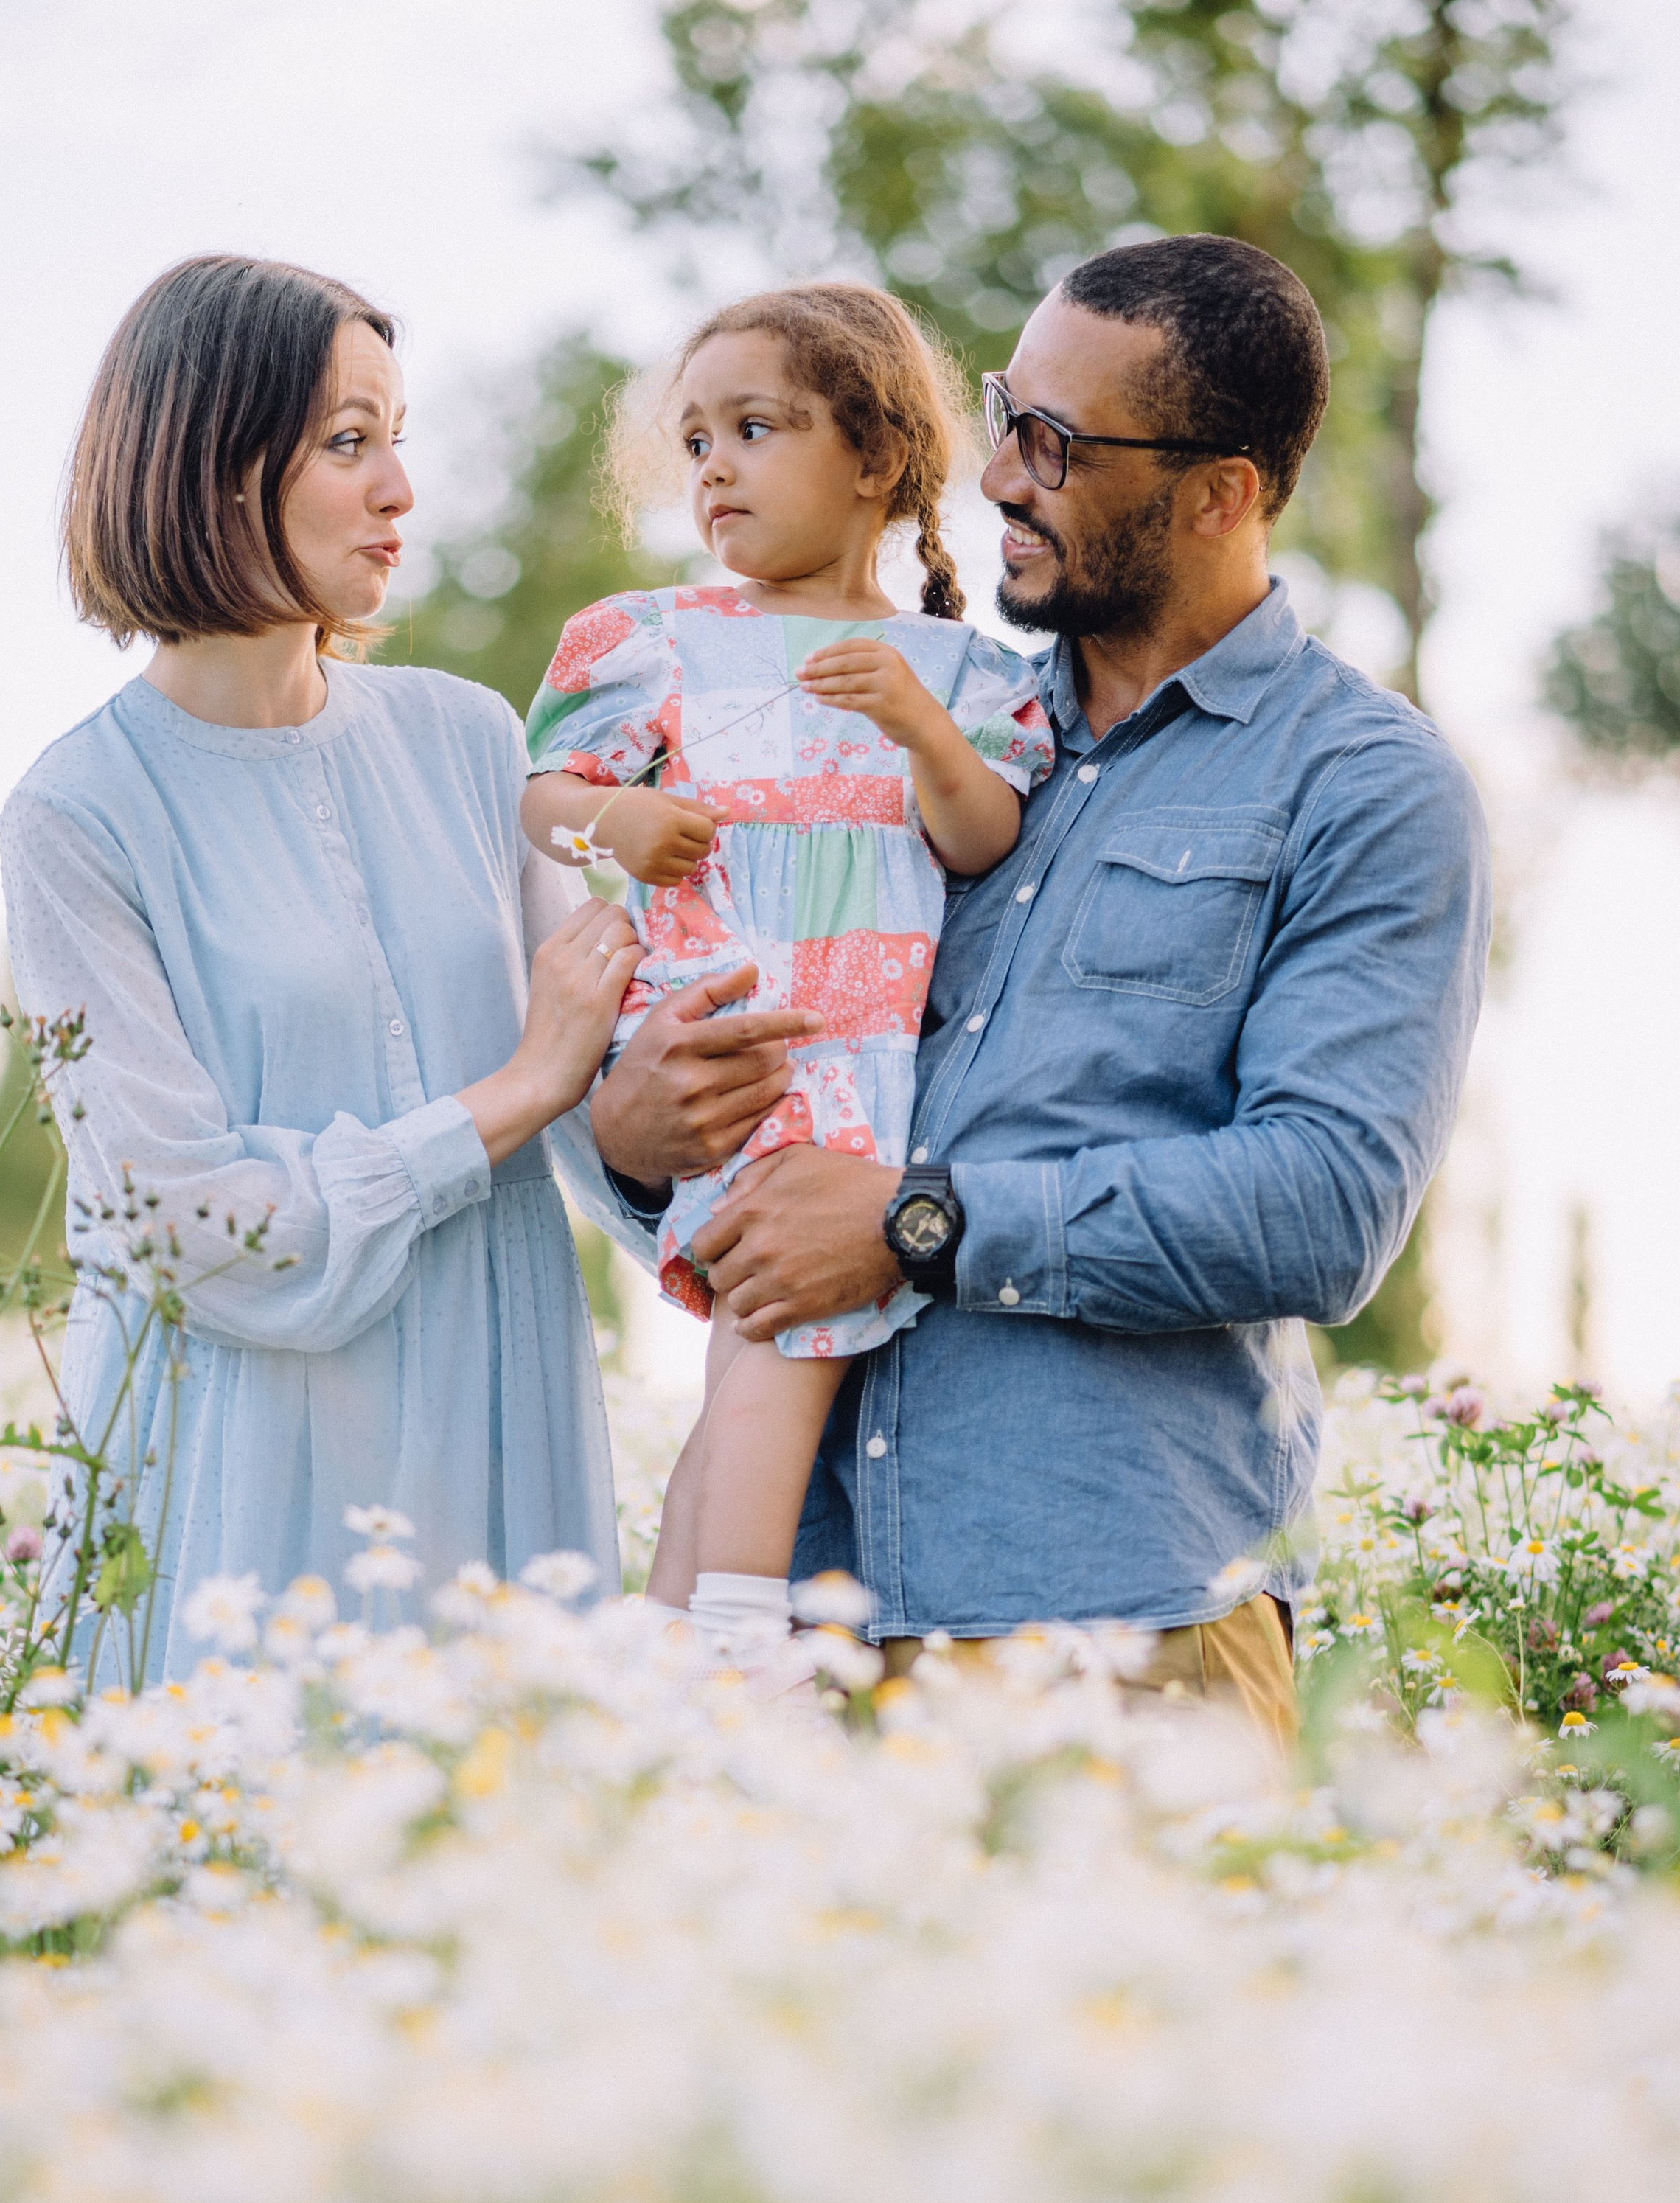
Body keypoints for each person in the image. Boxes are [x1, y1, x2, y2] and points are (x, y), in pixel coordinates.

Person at [588, 235, 1493, 1748]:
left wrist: (914, 1223)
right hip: (791, 1630)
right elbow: (735, 1133)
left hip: (1120, 1632)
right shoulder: (890, 712)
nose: (998, 473)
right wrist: (628, 1132)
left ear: (1221, 495)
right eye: (1008, 413)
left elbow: (1322, 1204)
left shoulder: (1359, 784)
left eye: (1055, 444)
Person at [1, 253, 647, 1684]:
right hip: (245, 1488)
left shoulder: (475, 741)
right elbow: (181, 1229)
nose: (400, 490)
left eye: (396, 437)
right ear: (208, 465)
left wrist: (670, 1103)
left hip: (497, 1431)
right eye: (349, 442)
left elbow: (600, 1103)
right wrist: (513, 1093)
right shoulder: (79, 815)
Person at [523, 285, 1054, 1666]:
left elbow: (982, 833)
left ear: (875, 460)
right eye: (695, 441)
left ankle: (673, 1639)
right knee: (788, 1342)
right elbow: (537, 798)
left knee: (758, 1346)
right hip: (728, 1029)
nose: (713, 468)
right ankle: (745, 1642)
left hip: (861, 1039)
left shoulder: (963, 673)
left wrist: (923, 727)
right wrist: (613, 822)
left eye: (754, 429)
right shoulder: (654, 641)